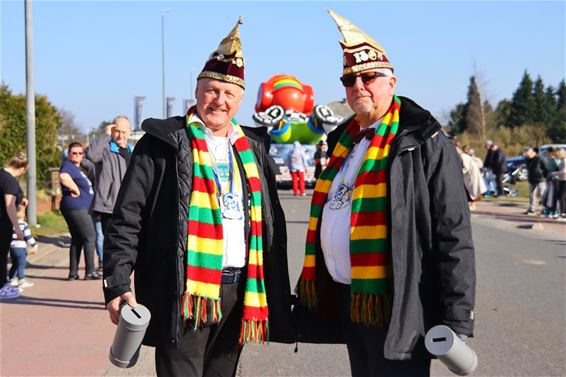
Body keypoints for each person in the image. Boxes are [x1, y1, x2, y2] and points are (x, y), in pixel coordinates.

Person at [103, 18, 294, 377]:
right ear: (197, 89)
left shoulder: (254, 148)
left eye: (228, 94)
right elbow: (127, 218)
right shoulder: (161, 143)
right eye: (211, 90)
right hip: (182, 290)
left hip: (239, 289)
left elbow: (272, 225)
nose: (218, 100)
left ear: (240, 99)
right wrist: (116, 283)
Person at [295, 11, 476, 377]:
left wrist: (457, 316)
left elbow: (453, 231)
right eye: (349, 79)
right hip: (352, 300)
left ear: (391, 82)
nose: (358, 85)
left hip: (400, 305)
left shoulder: (424, 140)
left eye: (368, 77)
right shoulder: (344, 142)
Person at [59, 142, 100, 280]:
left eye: (80, 153)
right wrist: (75, 189)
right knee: (90, 237)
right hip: (77, 207)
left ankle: (73, 273)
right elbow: (63, 177)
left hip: (79, 207)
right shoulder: (68, 166)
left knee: (77, 239)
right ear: (68, 154)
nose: (77, 155)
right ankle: (90, 271)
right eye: (74, 153)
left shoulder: (77, 168)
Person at [86, 116, 132, 236]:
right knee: (111, 245)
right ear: (112, 131)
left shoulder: (133, 152)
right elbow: (91, 154)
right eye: (117, 131)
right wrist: (106, 134)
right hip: (109, 208)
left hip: (128, 207)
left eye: (123, 132)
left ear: (129, 133)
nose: (120, 135)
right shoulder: (105, 150)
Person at [0, 153, 28, 299]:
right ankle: (2, 287)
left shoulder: (1, 174)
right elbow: (9, 205)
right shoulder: (10, 181)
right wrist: (17, 227)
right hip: (3, 223)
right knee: (2, 256)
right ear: (21, 168)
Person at [8, 204, 38, 289]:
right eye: (24, 211)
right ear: (22, 214)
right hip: (21, 247)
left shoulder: (11, 224)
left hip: (12, 247)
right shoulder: (24, 225)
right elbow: (28, 236)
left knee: (14, 264)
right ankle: (21, 280)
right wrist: (34, 245)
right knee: (21, 264)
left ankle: (12, 279)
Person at [523, 147, 547, 215]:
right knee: (531, 194)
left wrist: (545, 176)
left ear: (533, 153)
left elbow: (546, 167)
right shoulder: (527, 159)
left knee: (543, 194)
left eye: (528, 154)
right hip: (531, 179)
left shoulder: (540, 158)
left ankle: (544, 209)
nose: (527, 155)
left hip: (540, 179)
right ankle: (531, 209)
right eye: (526, 154)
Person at [549, 147, 566, 219]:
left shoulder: (564, 161)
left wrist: (554, 173)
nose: (555, 155)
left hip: (564, 180)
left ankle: (562, 213)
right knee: (562, 197)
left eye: (556, 154)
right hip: (562, 180)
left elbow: (564, 171)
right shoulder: (562, 160)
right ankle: (563, 212)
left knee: (561, 197)